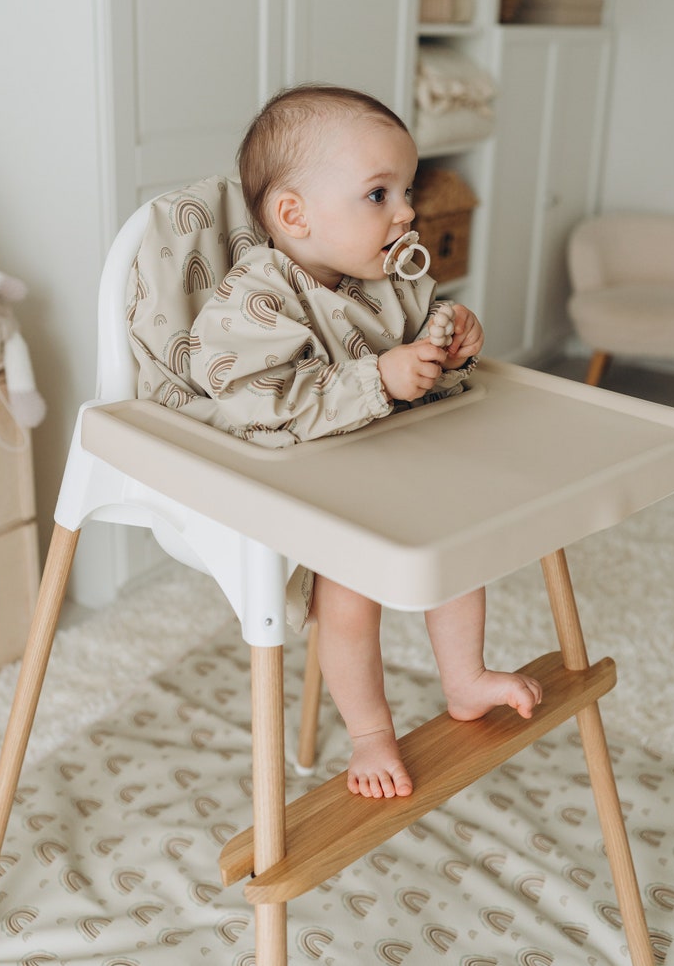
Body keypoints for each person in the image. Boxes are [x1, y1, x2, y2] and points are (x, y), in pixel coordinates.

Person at [190, 84, 542, 799]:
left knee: (460, 542)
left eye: (405, 190)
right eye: (379, 194)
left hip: (391, 462)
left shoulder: (385, 275)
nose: (407, 210)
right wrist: (378, 377)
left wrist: (452, 339)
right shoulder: (255, 298)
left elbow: (416, 347)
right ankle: (371, 736)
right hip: (308, 482)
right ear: (295, 214)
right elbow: (260, 401)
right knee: (348, 602)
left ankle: (465, 677)